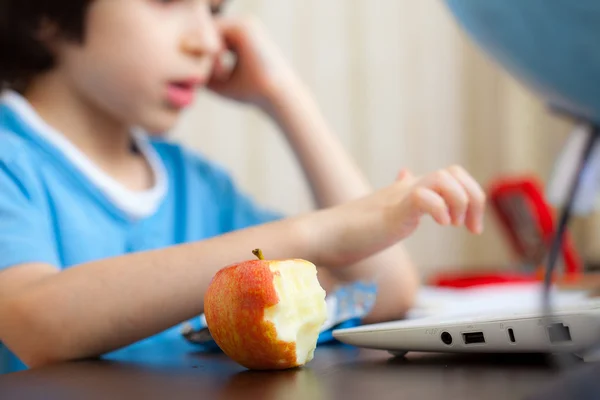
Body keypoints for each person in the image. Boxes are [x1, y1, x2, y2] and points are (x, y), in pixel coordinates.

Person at [0, 0, 486, 372]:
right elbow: (34, 321)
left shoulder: (196, 184)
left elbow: (384, 290)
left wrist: (285, 97)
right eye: (169, 2)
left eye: (214, 11)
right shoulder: (10, 159)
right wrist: (312, 234)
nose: (208, 42)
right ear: (47, 13)